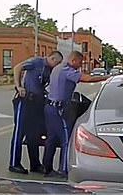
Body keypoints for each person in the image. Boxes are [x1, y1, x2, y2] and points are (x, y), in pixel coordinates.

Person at [42, 51, 109, 179]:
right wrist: (107, 78)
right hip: (59, 109)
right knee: (66, 140)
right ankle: (63, 170)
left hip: (49, 107)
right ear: (73, 60)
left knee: (51, 139)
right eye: (79, 62)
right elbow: (86, 78)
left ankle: (47, 168)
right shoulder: (67, 70)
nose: (80, 65)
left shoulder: (57, 68)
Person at [8, 51, 63, 175]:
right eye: (57, 62)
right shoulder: (36, 62)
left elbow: (41, 84)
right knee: (19, 132)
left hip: (38, 102)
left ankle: (35, 164)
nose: (57, 65)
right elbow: (18, 67)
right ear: (52, 58)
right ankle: (14, 163)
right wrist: (19, 86)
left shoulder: (49, 70)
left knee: (34, 134)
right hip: (25, 99)